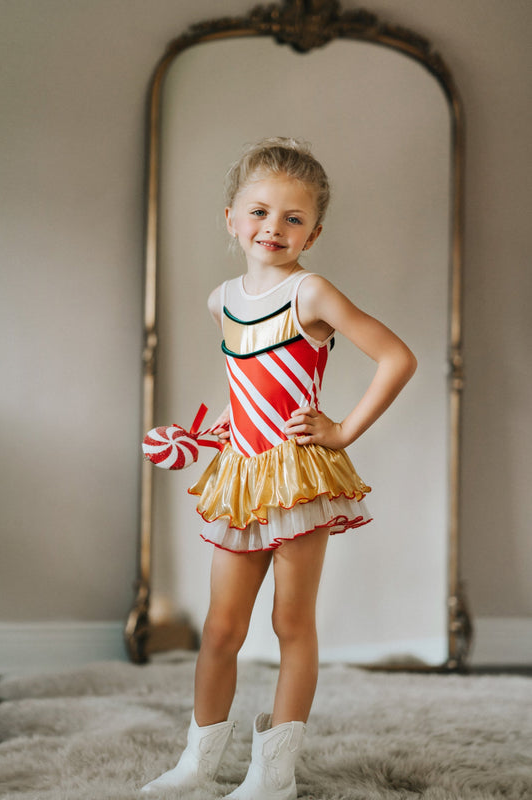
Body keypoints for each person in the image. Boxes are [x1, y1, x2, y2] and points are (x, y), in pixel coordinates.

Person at [141, 137, 417, 799]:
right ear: (231, 219)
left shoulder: (311, 293)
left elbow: (396, 357)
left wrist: (341, 429)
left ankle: (274, 774)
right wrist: (224, 429)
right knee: (220, 626)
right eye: (259, 212)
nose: (274, 228)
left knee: (290, 624)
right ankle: (197, 764)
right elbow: (250, 384)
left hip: (296, 477)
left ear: (313, 232)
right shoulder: (221, 299)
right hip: (242, 473)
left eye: (293, 218)